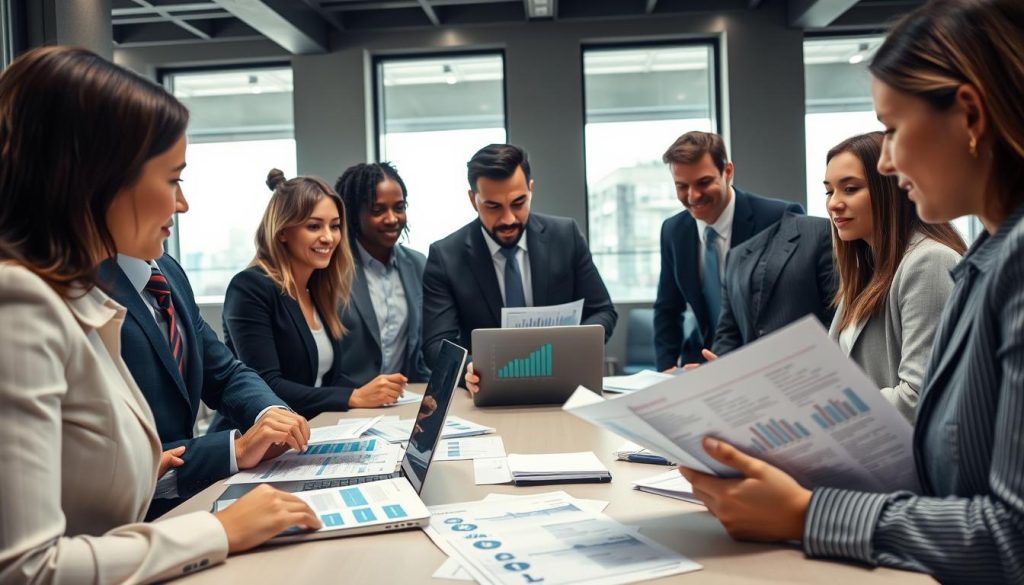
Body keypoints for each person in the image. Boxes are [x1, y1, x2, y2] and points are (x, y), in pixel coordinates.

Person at [679, 1, 1024, 581]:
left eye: (892, 129)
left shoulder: (997, 270)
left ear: (969, 115)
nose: (887, 160)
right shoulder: (983, 267)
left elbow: (1009, 537)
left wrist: (806, 514)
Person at [0, 46, 319, 584]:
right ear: (99, 179)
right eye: (173, 179)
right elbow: (28, 569)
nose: (182, 205)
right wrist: (221, 531)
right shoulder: (21, 303)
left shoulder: (87, 290)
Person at [422, 143, 617, 392]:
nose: (508, 219)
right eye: (493, 206)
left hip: (562, 387)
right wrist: (470, 369)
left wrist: (573, 346)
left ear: (531, 189)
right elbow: (436, 345)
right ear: (473, 200)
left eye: (518, 202)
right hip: (486, 391)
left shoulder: (565, 236)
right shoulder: (446, 256)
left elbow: (603, 311)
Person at [222, 169, 407, 420]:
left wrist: (373, 393)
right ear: (283, 231)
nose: (328, 237)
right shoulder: (249, 288)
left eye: (335, 226)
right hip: (256, 442)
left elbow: (328, 378)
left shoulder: (315, 288)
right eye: (313, 226)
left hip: (313, 430)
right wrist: (353, 396)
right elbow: (266, 385)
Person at [824, 132, 964, 421]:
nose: (833, 203)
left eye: (849, 189)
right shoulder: (866, 271)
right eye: (829, 191)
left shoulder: (929, 261)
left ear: (889, 190)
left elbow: (918, 395)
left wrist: (825, 411)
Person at [654, 131, 804, 371]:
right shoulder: (673, 231)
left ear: (728, 172)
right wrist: (666, 368)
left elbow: (797, 302)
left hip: (767, 363)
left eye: (703, 182)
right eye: (682, 186)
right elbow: (667, 308)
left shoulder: (780, 218)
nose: (693, 196)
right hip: (699, 363)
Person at [333, 162, 431, 387]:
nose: (392, 218)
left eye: (399, 207)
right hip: (347, 403)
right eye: (378, 210)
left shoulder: (418, 264)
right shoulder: (333, 270)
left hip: (405, 400)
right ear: (354, 214)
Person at [710, 212, 836, 356]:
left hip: (812, 368)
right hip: (751, 374)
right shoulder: (734, 258)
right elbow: (727, 335)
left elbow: (837, 318)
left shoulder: (819, 231)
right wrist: (713, 372)